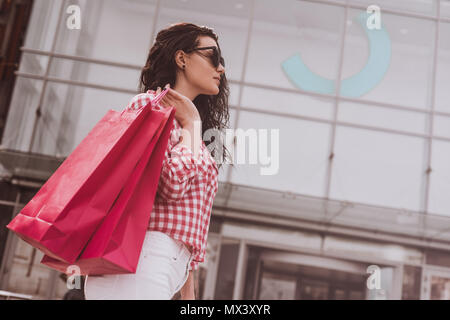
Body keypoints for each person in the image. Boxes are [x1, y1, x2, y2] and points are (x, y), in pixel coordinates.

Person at [84, 22, 231, 300]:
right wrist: (192, 124)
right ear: (182, 58)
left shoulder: (191, 131)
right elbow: (171, 185)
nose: (221, 68)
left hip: (160, 267)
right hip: (138, 260)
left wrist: (188, 289)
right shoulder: (150, 106)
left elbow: (191, 220)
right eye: (213, 57)